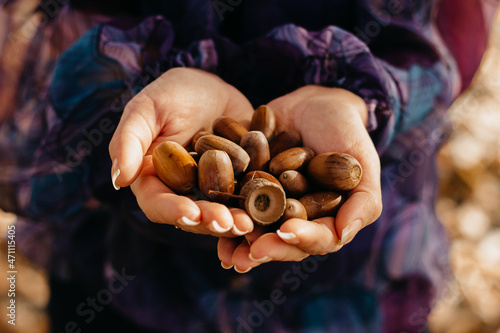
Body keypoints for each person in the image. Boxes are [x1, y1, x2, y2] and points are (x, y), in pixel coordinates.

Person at [0, 0, 496, 332]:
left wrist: (362, 96)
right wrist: (130, 77)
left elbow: (441, 34)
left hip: (354, 277)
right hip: (124, 263)